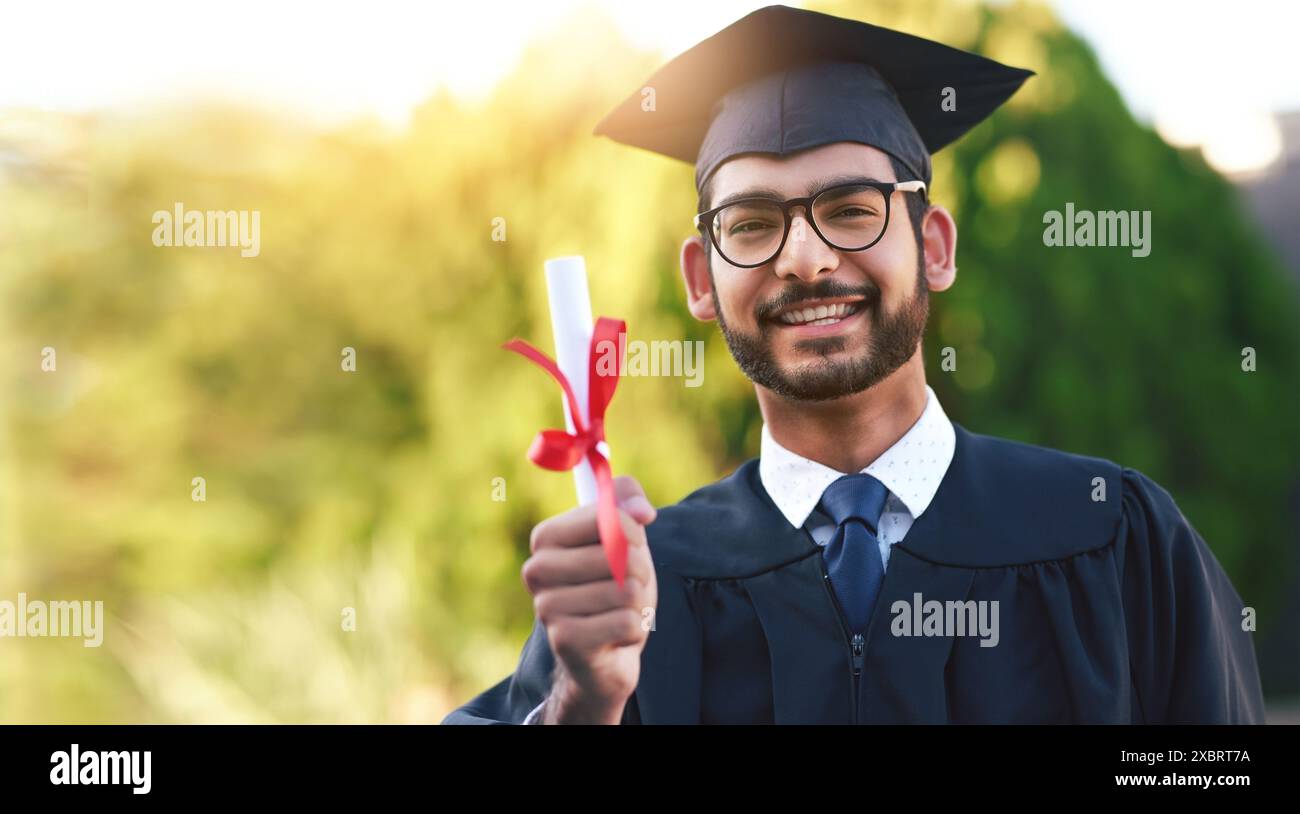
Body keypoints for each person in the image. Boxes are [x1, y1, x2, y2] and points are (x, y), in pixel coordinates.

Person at [443, 4, 1264, 724]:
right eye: (753, 223)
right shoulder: (638, 592)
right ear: (700, 279)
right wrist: (582, 707)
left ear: (934, 248)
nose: (804, 258)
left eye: (851, 211)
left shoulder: (1113, 538)